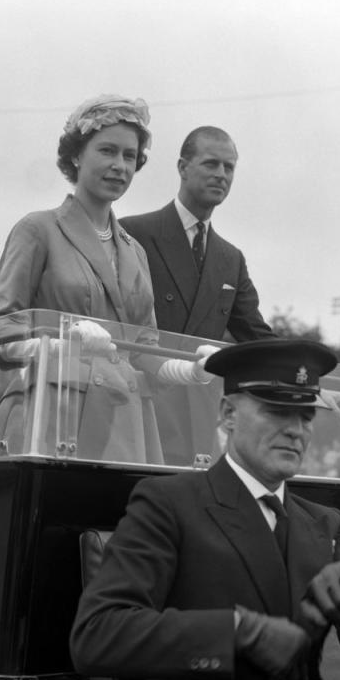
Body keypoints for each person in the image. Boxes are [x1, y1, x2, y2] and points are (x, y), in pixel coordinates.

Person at [71, 339, 340, 680]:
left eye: (306, 416)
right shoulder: (169, 503)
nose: (297, 430)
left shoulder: (324, 523)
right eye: (277, 411)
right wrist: (238, 631)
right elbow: (98, 635)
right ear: (228, 414)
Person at [0, 94, 212, 463]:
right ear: (75, 156)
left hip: (125, 421)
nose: (120, 165)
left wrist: (190, 370)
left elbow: (143, 349)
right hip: (53, 414)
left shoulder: (135, 251)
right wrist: (59, 342)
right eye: (107, 151)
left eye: (130, 156)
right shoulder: (38, 229)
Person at [121, 126, 275, 465]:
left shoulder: (229, 259)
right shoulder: (133, 233)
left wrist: (310, 380)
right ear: (182, 167)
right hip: (141, 406)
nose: (221, 175)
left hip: (198, 417)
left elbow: (256, 336)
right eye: (211, 164)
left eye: (229, 167)